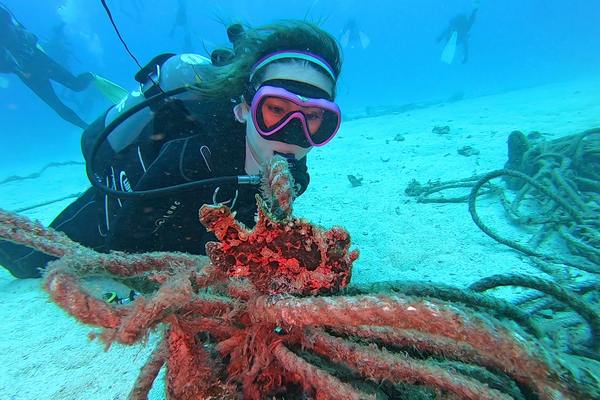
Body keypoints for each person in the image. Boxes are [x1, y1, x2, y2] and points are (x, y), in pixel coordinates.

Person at [0, 21, 343, 279]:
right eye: (276, 110)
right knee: (29, 259)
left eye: (314, 118)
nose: (292, 134)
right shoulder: (189, 157)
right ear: (243, 108)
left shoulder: (295, 172)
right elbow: (126, 245)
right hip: (118, 212)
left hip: (193, 233)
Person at [0, 3, 95, 128]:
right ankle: (88, 128)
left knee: (74, 88)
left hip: (36, 64)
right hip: (30, 70)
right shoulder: (6, 18)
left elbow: (27, 35)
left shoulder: (5, 17)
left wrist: (16, 68)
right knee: (60, 103)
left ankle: (94, 78)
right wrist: (16, 69)